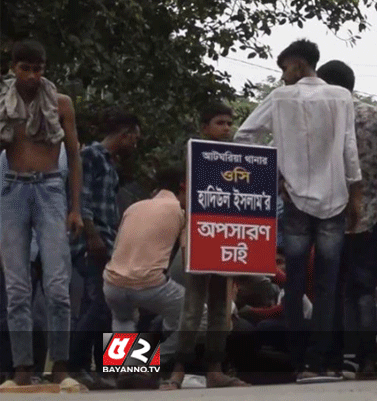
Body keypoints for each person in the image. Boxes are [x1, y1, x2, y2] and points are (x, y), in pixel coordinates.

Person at [235, 39, 362, 382]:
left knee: (294, 285)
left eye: (285, 69)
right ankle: (319, 362)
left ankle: (297, 361)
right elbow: (350, 149)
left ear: (298, 64)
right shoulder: (341, 97)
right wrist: (356, 194)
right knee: (326, 286)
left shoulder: (280, 99)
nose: (283, 77)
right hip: (334, 200)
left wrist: (275, 172)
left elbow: (244, 136)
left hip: (294, 202)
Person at [316, 60, 377, 379]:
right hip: (368, 215)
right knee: (366, 289)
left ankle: (351, 357)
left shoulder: (321, 119)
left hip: (330, 215)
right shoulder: (375, 115)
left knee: (342, 290)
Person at [0, 40, 85, 392]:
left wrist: (75, 207)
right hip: (12, 190)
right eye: (26, 68)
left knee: (57, 286)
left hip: (50, 189)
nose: (33, 76)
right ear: (13, 67)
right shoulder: (4, 104)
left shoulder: (60, 103)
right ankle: (22, 367)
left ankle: (60, 366)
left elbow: (74, 155)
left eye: (39, 69)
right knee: (17, 288)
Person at [168, 102, 250, 389]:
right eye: (220, 123)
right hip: (186, 252)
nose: (227, 128)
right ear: (204, 127)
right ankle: (177, 369)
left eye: (229, 123)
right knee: (192, 309)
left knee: (218, 307)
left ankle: (212, 368)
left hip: (218, 239)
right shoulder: (197, 156)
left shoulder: (237, 159)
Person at [69, 108, 141, 382]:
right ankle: (76, 366)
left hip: (109, 241)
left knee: (106, 305)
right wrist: (92, 236)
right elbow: (81, 198)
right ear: (125, 135)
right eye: (134, 139)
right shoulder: (91, 156)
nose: (134, 145)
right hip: (94, 240)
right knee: (98, 304)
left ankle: (109, 369)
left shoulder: (110, 164)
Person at [102, 165, 189, 387]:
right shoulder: (180, 211)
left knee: (122, 318)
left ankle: (126, 367)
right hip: (150, 285)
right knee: (196, 314)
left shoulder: (134, 207)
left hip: (112, 282)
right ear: (182, 187)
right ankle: (148, 362)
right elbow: (188, 255)